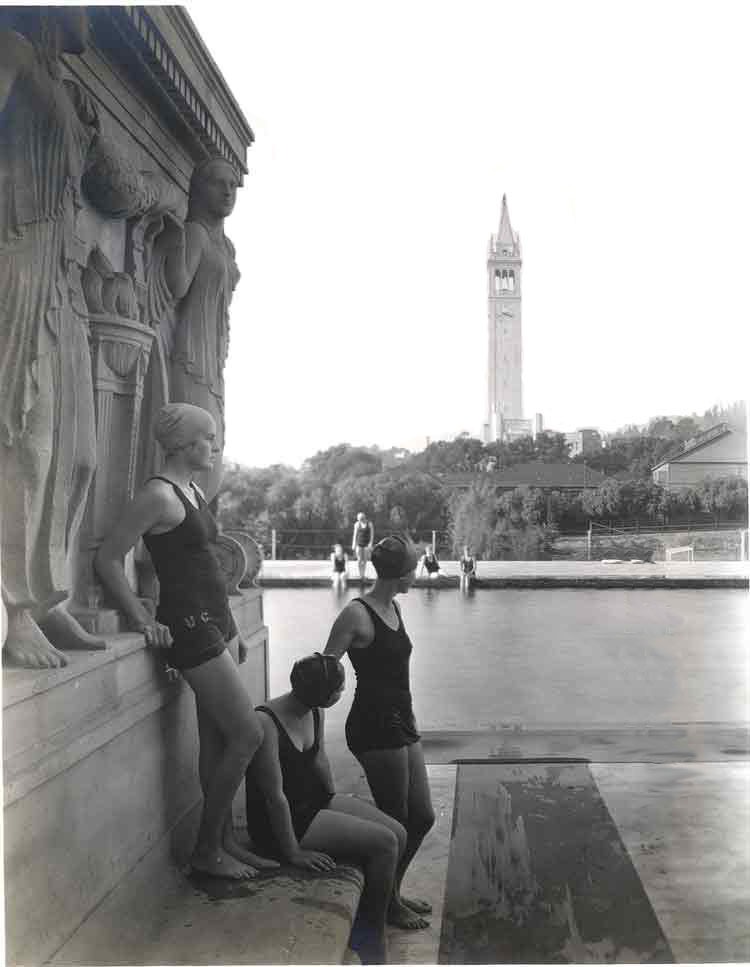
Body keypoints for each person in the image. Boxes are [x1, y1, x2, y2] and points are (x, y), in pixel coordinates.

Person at [95, 402, 276, 880]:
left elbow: (206, 566)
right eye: (208, 438)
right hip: (190, 627)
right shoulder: (157, 495)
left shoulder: (191, 490)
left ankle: (225, 842)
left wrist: (232, 628)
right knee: (249, 733)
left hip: (214, 622)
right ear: (183, 444)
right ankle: (205, 850)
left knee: (217, 739)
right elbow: (109, 558)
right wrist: (141, 617)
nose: (214, 447)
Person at [246, 652, 413, 964]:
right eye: (339, 689)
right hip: (282, 820)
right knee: (386, 843)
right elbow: (273, 796)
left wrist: (336, 800)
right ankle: (370, 937)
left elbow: (319, 759)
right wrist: (293, 852)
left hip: (312, 801)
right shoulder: (265, 722)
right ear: (323, 694)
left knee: (399, 833)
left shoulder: (314, 710)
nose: (342, 692)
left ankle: (383, 907)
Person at [324, 536, 434, 931]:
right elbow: (325, 669)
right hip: (373, 723)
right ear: (400, 574)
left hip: (402, 719)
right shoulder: (356, 614)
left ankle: (393, 891)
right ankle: (386, 903)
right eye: (412, 569)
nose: (416, 575)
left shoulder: (394, 607)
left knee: (422, 816)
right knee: (396, 819)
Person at [351, 512, 374, 585]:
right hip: (359, 544)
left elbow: (372, 534)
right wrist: (353, 544)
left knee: (364, 560)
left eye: (361, 518)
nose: (360, 519)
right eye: (359, 518)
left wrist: (370, 543)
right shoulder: (357, 524)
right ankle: (360, 574)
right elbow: (355, 534)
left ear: (364, 517)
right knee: (359, 560)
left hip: (366, 544)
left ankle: (363, 575)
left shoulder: (369, 524)